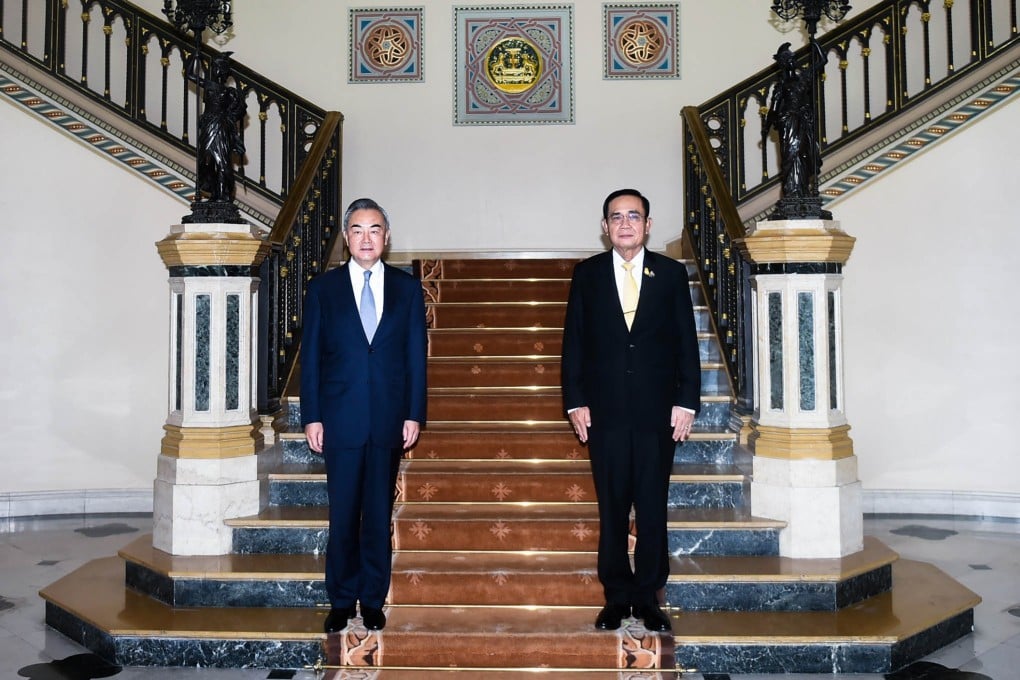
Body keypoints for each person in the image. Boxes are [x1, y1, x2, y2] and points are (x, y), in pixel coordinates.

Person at [561, 188, 701, 633]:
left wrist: (687, 401)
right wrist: (574, 400)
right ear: (605, 227)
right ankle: (617, 596)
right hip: (604, 414)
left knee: (653, 505)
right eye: (616, 217)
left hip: (658, 413)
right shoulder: (587, 275)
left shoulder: (672, 274)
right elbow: (574, 344)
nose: (625, 224)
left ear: (648, 225)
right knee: (613, 507)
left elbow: (686, 343)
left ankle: (648, 597)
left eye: (634, 216)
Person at [300, 198, 428, 633]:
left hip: (389, 419)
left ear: (386, 237)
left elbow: (415, 357)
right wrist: (312, 416)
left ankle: (372, 598)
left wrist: (414, 413)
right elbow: (312, 357)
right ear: (346, 237)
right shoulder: (323, 289)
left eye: (375, 229)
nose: (366, 238)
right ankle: (341, 599)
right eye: (357, 229)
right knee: (343, 515)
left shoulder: (408, 288)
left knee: (377, 514)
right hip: (340, 420)